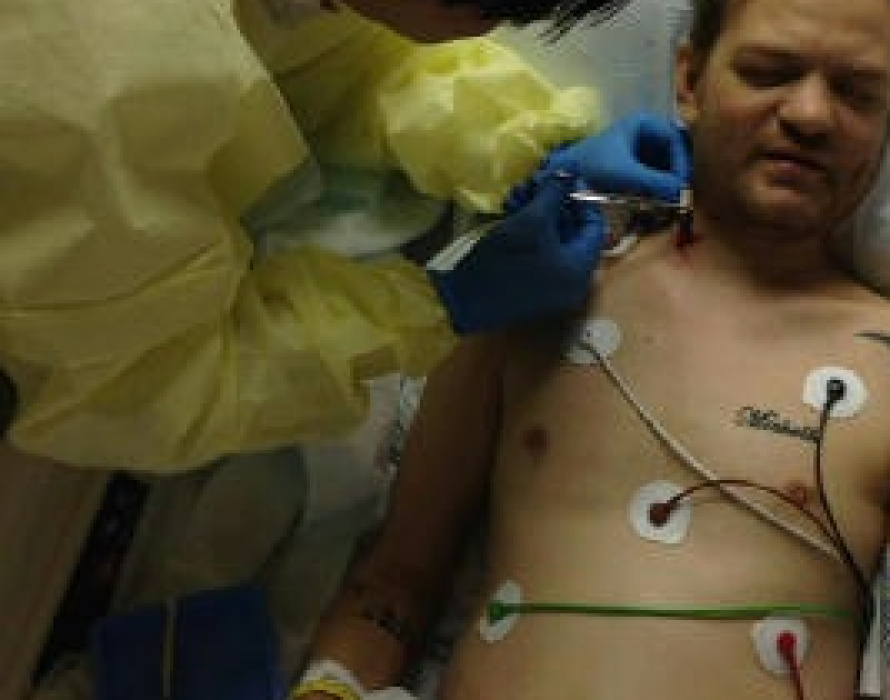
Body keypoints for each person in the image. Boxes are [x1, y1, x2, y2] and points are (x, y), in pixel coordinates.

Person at [296, 0, 890, 698]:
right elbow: (391, 587)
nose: (811, 115)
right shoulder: (523, 293)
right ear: (689, 81)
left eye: (856, 92)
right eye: (768, 72)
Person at [0, 0, 690, 471]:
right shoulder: (90, 89)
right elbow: (141, 392)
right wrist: (439, 305)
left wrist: (521, 145)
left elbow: (330, 54)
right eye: (497, 11)